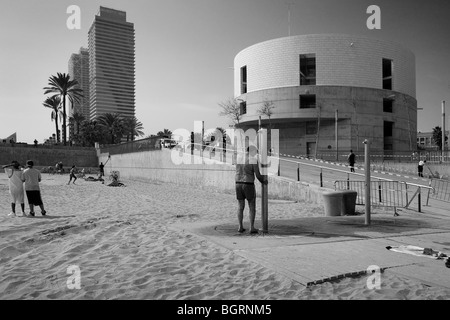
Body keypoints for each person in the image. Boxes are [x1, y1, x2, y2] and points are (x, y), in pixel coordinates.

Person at [235, 145, 267, 234]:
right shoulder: (253, 160)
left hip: (238, 183)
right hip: (248, 183)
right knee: (251, 206)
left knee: (240, 206)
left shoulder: (239, 158)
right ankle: (251, 227)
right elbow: (258, 175)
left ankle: (240, 226)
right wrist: (264, 180)